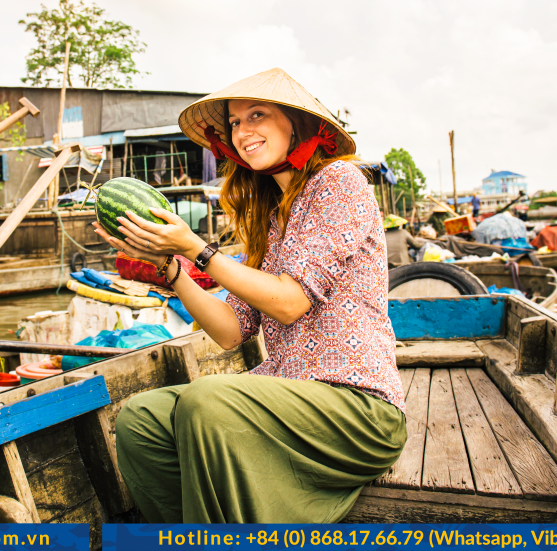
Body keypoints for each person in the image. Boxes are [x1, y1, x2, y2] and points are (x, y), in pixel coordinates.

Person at [94, 67, 407, 523]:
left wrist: (195, 249)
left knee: (206, 402)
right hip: (287, 399)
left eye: (257, 115)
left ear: (297, 124)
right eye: (235, 123)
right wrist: (169, 267)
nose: (243, 132)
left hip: (359, 411)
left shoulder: (339, 183)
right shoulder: (269, 217)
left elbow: (290, 300)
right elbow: (229, 331)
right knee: (141, 420)